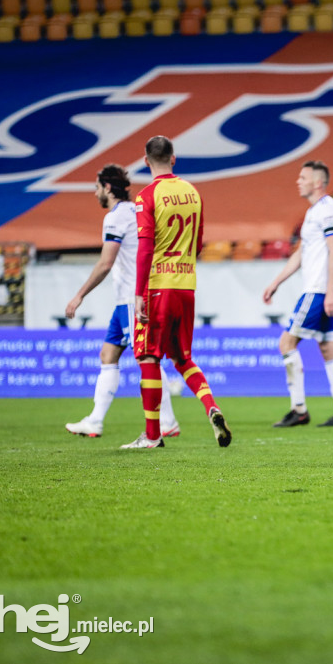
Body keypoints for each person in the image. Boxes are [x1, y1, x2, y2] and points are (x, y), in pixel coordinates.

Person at [124, 135, 232, 449]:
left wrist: (139, 293)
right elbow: (198, 243)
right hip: (186, 286)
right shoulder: (192, 193)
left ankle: (153, 436)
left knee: (148, 356)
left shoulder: (146, 197)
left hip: (158, 287)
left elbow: (145, 249)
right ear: (174, 158)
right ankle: (211, 406)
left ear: (146, 161)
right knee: (183, 358)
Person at [64, 164, 180, 440]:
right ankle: (95, 421)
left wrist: (79, 295)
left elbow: (106, 263)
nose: (95, 194)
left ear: (107, 187)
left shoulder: (116, 217)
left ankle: (167, 421)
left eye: (96, 187)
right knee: (108, 355)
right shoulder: (136, 210)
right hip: (127, 299)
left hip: (133, 298)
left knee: (147, 358)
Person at [263, 161, 333, 428]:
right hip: (324, 291)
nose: (297, 181)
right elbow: (301, 254)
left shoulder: (327, 211)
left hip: (318, 291)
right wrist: (276, 282)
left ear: (317, 182)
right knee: (328, 348)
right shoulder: (315, 212)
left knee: (286, 344)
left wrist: (329, 293)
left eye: (302, 177)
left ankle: (299, 409)